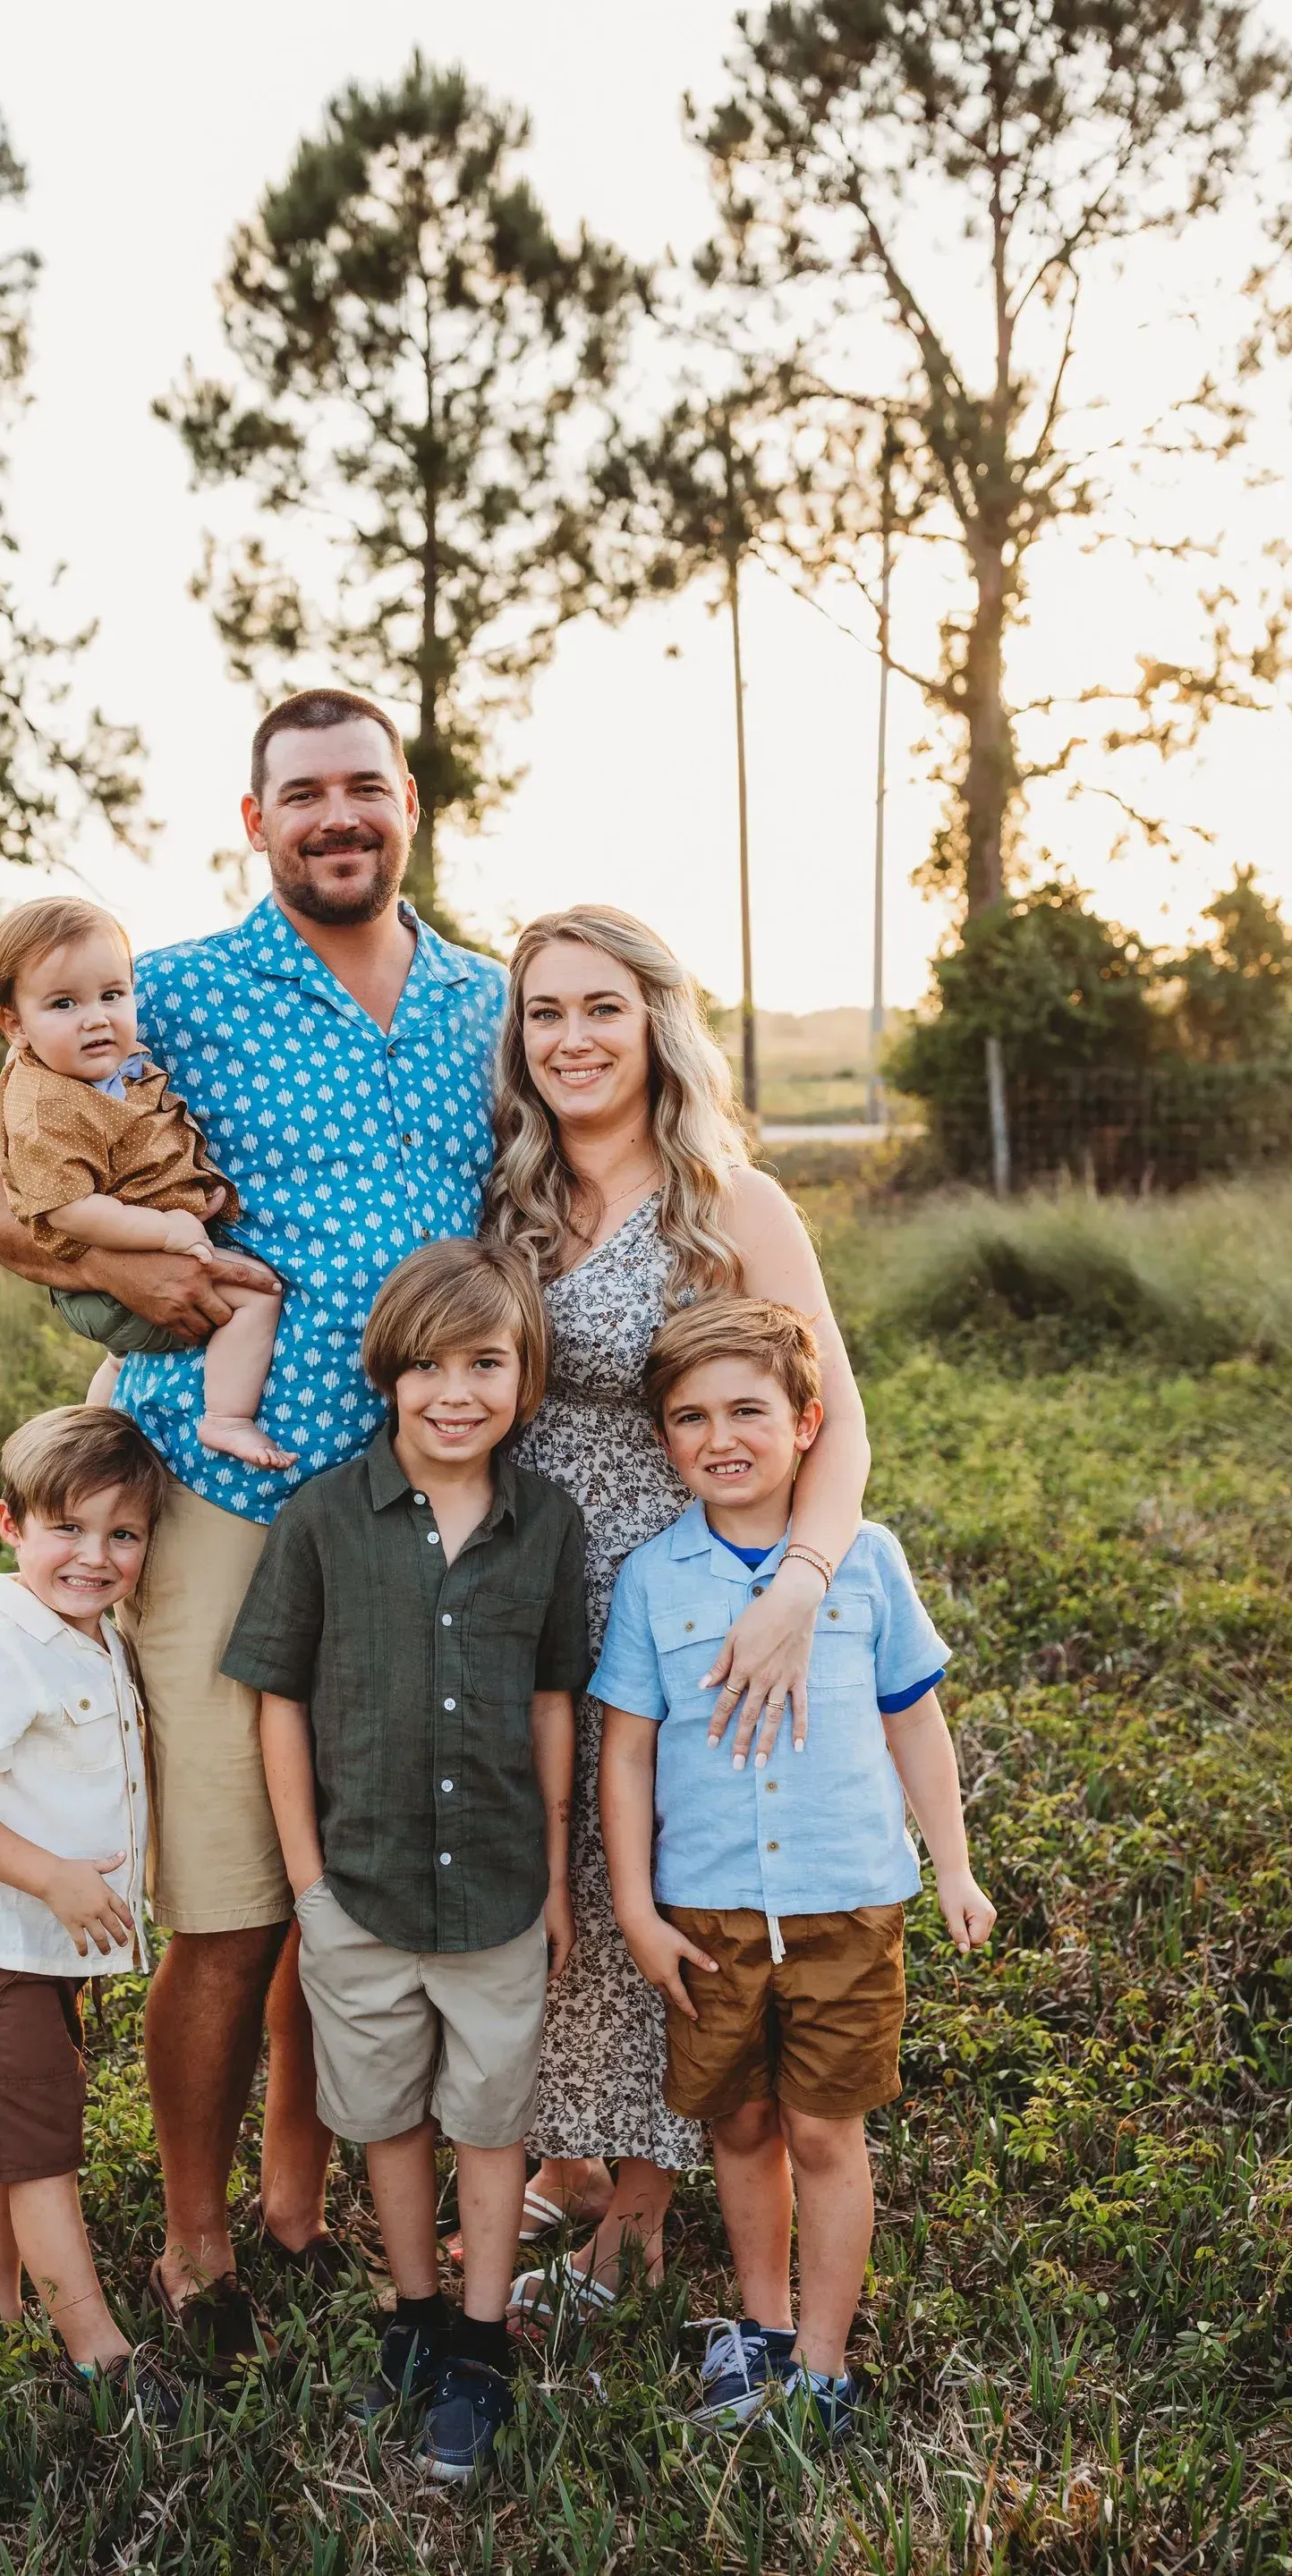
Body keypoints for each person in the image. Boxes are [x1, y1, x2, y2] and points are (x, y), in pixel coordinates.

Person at [0, 689, 506, 2369]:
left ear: (406, 804)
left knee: (345, 1871)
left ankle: (294, 2181)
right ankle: (198, 2228)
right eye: (301, 795)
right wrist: (122, 1272)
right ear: (254, 821)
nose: (337, 816)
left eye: (364, 788)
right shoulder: (169, 991)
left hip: (428, 1506)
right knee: (230, 1891)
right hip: (230, 1489)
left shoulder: (490, 999)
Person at [479, 906, 873, 2323]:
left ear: (656, 1023)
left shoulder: (733, 1204)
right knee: (561, 1872)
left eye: (601, 1008)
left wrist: (799, 1596)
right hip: (525, 1568)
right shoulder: (506, 1195)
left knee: (663, 1864)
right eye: (544, 1014)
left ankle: (638, 2216)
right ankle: (573, 2157)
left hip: (682, 1580)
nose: (572, 1039)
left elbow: (842, 1429)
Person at [594, 1297, 995, 2437]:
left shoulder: (863, 1565)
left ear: (809, 1422)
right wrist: (633, 1903)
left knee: (823, 2129)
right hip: (708, 1913)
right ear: (664, 1440)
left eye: (748, 1410)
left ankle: (822, 2366)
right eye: (690, 1417)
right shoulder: (653, 1578)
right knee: (739, 2127)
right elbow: (625, 1750)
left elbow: (917, 1724)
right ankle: (758, 2336)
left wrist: (954, 1870)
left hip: (845, 1905)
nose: (721, 1437)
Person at [225, 1239, 586, 2481]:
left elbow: (552, 1699)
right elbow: (276, 1697)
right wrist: (309, 1884)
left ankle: (484, 2338)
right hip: (361, 1893)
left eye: (485, 1363)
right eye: (427, 1365)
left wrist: (553, 1876)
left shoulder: (547, 1523)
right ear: (388, 1373)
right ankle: (416, 2314)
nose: (455, 1392)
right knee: (384, 2116)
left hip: (498, 1892)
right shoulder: (326, 1516)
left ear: (525, 1376)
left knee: (489, 2119)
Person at [0, 1405, 182, 2420]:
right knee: (40, 2161)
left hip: (28, 1951)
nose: (95, 1557)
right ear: (10, 1525)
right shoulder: (1, 1654)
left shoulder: (86, 1637)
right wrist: (56, 1877)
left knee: (4, 2148)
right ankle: (100, 2352)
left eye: (123, 1535)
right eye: (68, 1528)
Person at [0, 894, 293, 1472]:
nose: (96, 1017)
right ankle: (225, 1418)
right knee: (257, 1295)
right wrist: (168, 1228)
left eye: (112, 995)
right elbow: (69, 1210)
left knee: (124, 1359)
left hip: (129, 1252)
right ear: (14, 1025)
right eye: (64, 1003)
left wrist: (197, 1196)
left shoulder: (99, 1070)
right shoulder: (45, 1106)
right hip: (104, 1269)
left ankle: (93, 1429)